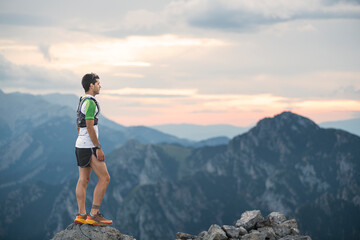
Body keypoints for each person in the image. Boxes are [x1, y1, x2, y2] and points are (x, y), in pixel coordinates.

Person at [74, 73, 112, 226]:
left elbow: (79, 125)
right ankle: (94, 214)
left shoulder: (81, 100)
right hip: (89, 146)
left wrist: (84, 140)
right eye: (97, 83)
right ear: (91, 85)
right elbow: (89, 126)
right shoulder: (91, 103)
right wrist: (97, 148)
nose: (100, 86)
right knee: (105, 178)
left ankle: (81, 214)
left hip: (79, 146)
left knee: (83, 179)